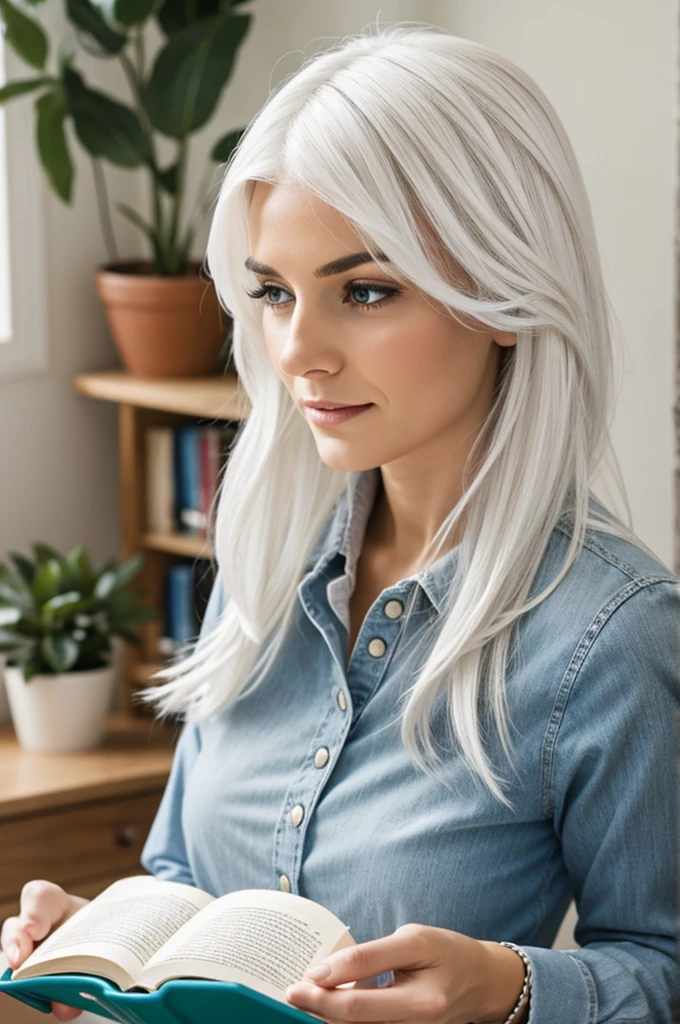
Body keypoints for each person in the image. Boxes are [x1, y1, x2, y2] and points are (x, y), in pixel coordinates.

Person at [3, 21, 680, 1024]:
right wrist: (107, 937)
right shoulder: (265, 561)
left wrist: (509, 987)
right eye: (274, 292)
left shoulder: (611, 635)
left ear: (503, 294)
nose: (297, 350)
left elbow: (662, 967)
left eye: (363, 291)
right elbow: (187, 871)